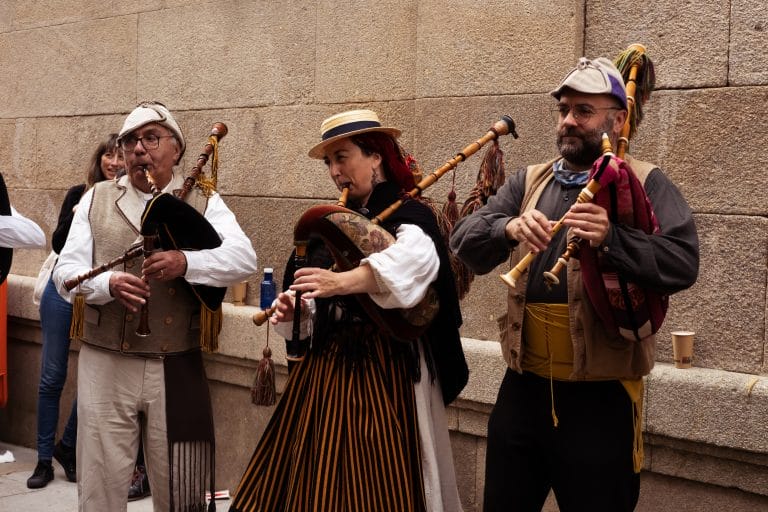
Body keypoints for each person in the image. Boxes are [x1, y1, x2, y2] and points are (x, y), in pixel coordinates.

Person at [449, 56, 699, 511]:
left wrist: (614, 238)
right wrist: (508, 228)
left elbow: (683, 263)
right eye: (563, 109)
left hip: (601, 399)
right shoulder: (529, 180)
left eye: (583, 111)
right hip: (522, 390)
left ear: (617, 119)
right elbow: (462, 241)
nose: (568, 120)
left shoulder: (644, 181)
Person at [229, 109, 468, 512]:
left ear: (375, 156)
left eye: (343, 157)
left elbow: (415, 266)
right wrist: (295, 311)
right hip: (325, 374)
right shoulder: (331, 224)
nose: (336, 171)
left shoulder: (410, 214)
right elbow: (314, 307)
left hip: (388, 370)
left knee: (379, 487)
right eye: (329, 163)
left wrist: (339, 282)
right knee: (310, 483)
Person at [53, 101, 258, 511]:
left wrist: (187, 262)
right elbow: (66, 273)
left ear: (177, 150)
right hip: (105, 360)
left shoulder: (204, 201)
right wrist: (108, 283)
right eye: (130, 141)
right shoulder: (96, 199)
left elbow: (244, 259)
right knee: (100, 484)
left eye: (151, 138)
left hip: (176, 363)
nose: (138, 149)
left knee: (183, 484)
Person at [26, 133, 124, 489]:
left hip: (98, 297)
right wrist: (82, 205)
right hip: (62, 289)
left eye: (120, 157)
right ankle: (41, 461)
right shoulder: (78, 193)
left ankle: (67, 446)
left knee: (95, 377)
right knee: (52, 377)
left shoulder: (129, 203)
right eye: (108, 156)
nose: (114, 163)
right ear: (99, 160)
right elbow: (58, 243)